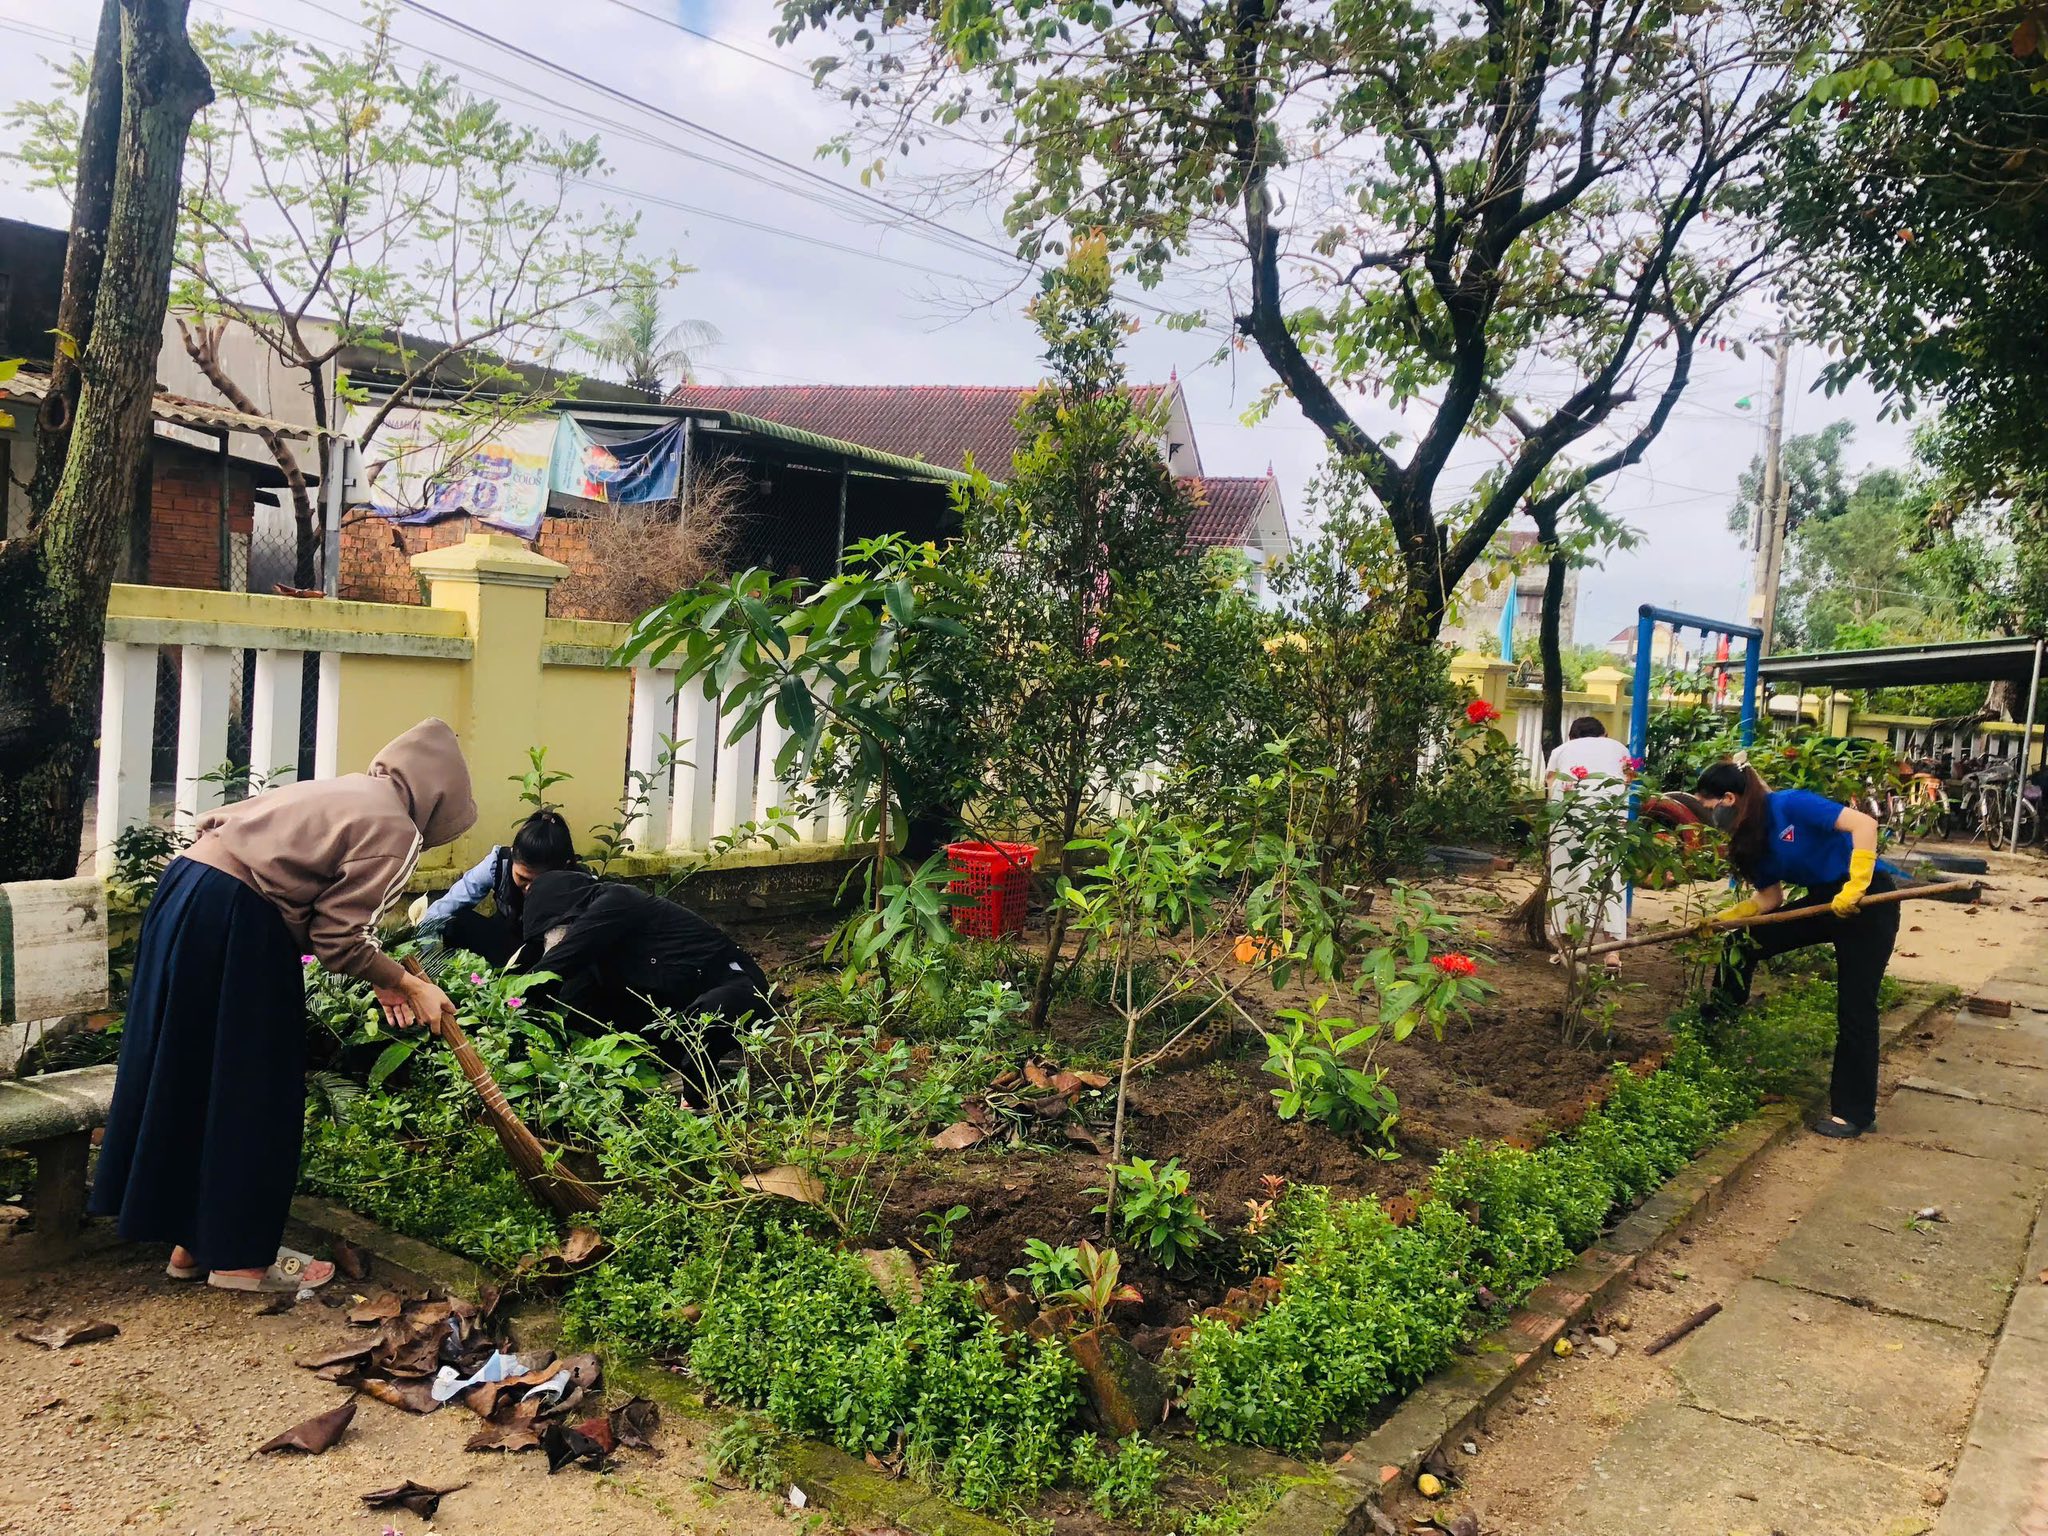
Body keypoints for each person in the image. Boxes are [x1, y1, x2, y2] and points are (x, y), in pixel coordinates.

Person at [91, 719, 475, 1292]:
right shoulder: (397, 827)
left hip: (184, 896)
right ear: (440, 798)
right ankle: (241, 1261)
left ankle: (192, 1242)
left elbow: (221, 826)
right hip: (239, 922)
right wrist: (411, 983)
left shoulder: (344, 789)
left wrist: (381, 978)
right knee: (256, 1087)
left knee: (191, 1070)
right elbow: (337, 939)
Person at [1694, 759, 1898, 1139]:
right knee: (1743, 941)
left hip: (1869, 901)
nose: (1710, 818)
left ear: (1729, 798)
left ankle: (1854, 1113)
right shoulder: (1749, 840)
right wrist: (1730, 917)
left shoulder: (1790, 804)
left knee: (1856, 1006)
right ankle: (1720, 1021)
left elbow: (1864, 825)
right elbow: (1770, 898)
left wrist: (1857, 884)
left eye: (1709, 808)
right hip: (1824, 903)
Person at [518, 870, 768, 1097]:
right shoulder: (598, 937)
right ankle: (668, 1067)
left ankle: (696, 1093)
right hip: (671, 1005)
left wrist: (508, 1004)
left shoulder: (615, 902)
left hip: (737, 990)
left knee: (707, 1021)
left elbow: (557, 964)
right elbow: (565, 990)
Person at [411, 808, 578, 966]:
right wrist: (425, 963)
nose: (529, 888)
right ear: (512, 855)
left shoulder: (579, 886)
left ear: (564, 868)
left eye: (540, 881)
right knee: (455, 921)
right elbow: (441, 911)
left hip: (547, 957)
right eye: (522, 878)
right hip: (505, 944)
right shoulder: (498, 863)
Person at [1544, 716, 1634, 965]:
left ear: (1572, 736)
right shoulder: (1619, 748)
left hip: (1568, 818)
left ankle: (1567, 946)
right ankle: (1612, 951)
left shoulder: (1562, 750)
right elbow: (1628, 780)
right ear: (1604, 734)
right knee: (1611, 877)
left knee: (1566, 876)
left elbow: (1551, 786)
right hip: (1610, 817)